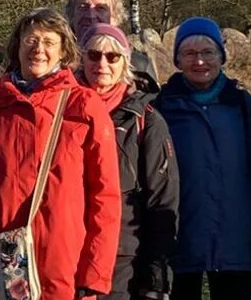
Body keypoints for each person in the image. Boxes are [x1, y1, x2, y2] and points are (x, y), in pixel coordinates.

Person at [0, 7, 122, 300]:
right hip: (1, 267)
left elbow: (104, 198)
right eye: (30, 40)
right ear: (17, 46)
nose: (38, 49)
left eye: (49, 42)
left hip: (64, 267)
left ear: (63, 51)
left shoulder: (84, 106)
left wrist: (94, 276)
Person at [154, 18, 251, 300]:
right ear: (177, 60)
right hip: (181, 237)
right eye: (190, 54)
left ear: (222, 56)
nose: (200, 61)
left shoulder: (241, 104)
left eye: (208, 52)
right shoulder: (162, 106)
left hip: (235, 236)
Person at [77, 23, 180, 300]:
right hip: (67, 251)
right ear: (81, 58)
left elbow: (162, 202)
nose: (102, 64)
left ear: (125, 62)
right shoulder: (64, 111)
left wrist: (156, 279)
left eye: (112, 57)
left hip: (123, 259)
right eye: (94, 55)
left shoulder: (146, 120)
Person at [65, 0, 156, 84]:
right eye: (83, 7)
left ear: (116, 17)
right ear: (72, 15)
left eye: (101, 8)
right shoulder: (56, 64)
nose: (91, 15)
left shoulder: (139, 67)